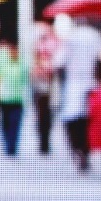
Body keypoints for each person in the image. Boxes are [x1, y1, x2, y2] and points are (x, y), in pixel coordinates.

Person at [57, 14, 101, 173]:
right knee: (90, 121)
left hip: (73, 85)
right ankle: (88, 148)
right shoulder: (96, 37)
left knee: (72, 120)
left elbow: (59, 61)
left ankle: (78, 150)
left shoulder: (70, 38)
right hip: (93, 85)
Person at [0, 36, 29, 158]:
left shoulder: (22, 63)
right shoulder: (2, 61)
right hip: (4, 98)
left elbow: (25, 80)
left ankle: (11, 147)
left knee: (15, 123)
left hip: (17, 99)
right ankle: (7, 143)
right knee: (5, 123)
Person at [32, 21, 59, 154]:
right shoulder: (41, 42)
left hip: (50, 82)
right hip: (41, 82)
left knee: (46, 113)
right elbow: (36, 58)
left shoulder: (54, 41)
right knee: (42, 113)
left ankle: (45, 142)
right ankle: (43, 142)